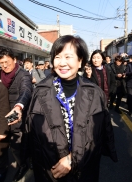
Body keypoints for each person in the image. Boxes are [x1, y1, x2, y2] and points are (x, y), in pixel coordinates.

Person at [25, 35, 118, 181]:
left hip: (84, 169)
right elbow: (32, 133)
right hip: (50, 170)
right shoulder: (40, 92)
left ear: (80, 61)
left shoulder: (94, 93)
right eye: (57, 57)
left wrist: (71, 159)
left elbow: (97, 136)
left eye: (68, 57)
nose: (62, 63)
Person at [0, 49, 33, 182]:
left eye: (7, 62)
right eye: (1, 63)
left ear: (15, 60)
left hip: (19, 113)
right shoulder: (3, 75)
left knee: (17, 142)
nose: (4, 66)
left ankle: (24, 165)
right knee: (12, 141)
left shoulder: (23, 75)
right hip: (7, 112)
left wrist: (18, 106)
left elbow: (26, 91)